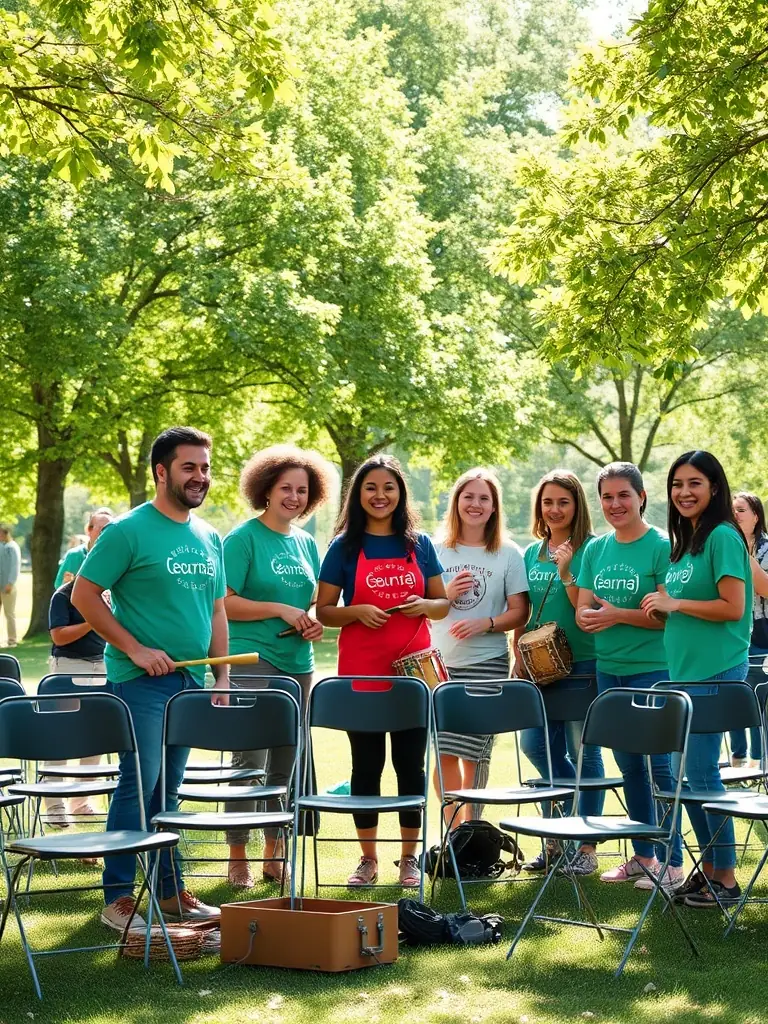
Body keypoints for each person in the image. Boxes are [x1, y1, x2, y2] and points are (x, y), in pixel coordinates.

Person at [72, 426, 228, 933]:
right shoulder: (127, 531)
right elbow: (84, 596)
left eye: (204, 467)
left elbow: (218, 610)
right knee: (141, 784)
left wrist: (220, 675)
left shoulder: (209, 536)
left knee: (170, 790)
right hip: (139, 683)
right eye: (189, 467)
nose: (200, 476)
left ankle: (168, 891)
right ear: (161, 471)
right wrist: (135, 648)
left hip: (190, 684)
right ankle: (117, 898)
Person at [316, 455, 449, 888]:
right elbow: (324, 611)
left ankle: (409, 859)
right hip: (362, 672)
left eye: (388, 488)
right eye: (371, 487)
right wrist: (356, 611)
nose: (380, 495)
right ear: (358, 495)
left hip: (413, 675)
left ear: (400, 494)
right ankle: (368, 859)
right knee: (366, 767)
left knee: (411, 765)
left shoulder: (420, 544)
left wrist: (425, 606)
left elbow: (443, 604)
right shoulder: (343, 547)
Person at [642, 451, 752, 909]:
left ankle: (724, 877)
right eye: (677, 484)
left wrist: (677, 606)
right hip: (683, 674)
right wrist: (661, 605)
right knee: (685, 779)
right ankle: (707, 871)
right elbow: (680, 606)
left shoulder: (723, 536)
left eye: (695, 483)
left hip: (717, 670)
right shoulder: (684, 543)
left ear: (714, 488)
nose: (684, 492)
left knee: (702, 773)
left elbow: (734, 607)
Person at [223, 445, 333, 888]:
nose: (294, 497)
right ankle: (237, 855)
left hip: (298, 665)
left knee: (285, 763)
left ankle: (275, 851)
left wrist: (312, 623)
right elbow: (225, 603)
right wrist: (280, 611)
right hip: (253, 659)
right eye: (285, 487)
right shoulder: (242, 538)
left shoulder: (306, 542)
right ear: (265, 490)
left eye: (302, 490)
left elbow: (313, 603)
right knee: (248, 760)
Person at [576, 461, 684, 891]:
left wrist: (616, 614)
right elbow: (585, 608)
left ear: (641, 496)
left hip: (654, 671)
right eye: (607, 496)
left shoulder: (662, 546)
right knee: (629, 768)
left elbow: (667, 619)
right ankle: (643, 856)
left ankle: (674, 864)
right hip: (609, 672)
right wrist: (593, 617)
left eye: (624, 494)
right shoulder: (596, 550)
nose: (615, 504)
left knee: (661, 768)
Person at [515, 470, 606, 877]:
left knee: (584, 752)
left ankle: (584, 846)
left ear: (577, 506)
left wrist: (568, 568)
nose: (554, 509)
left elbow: (585, 606)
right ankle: (557, 838)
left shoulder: (592, 550)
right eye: (548, 502)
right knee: (536, 746)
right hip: (538, 667)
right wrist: (517, 651)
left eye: (563, 502)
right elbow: (527, 609)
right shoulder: (531, 553)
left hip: (582, 663)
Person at [430, 468, 529, 825]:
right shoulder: (434, 549)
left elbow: (520, 612)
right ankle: (456, 834)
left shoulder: (508, 553)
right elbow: (421, 604)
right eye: (468, 496)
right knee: (443, 752)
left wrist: (486, 623)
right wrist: (445, 595)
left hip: (487, 661)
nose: (475, 504)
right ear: (456, 502)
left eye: (483, 498)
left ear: (493, 507)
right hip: (439, 665)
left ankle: (473, 828)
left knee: (475, 753)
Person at [44, 510, 113, 830]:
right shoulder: (63, 596)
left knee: (97, 735)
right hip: (67, 668)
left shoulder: (111, 596)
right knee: (61, 735)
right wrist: (93, 620)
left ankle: (82, 800)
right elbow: (58, 636)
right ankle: (55, 805)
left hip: (101, 666)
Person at [730, 491, 768, 767]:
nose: (734, 515)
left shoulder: (766, 549)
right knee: (732, 691)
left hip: (762, 631)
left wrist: (744, 555)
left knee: (755, 694)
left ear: (756, 515)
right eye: (730, 510)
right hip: (733, 632)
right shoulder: (723, 545)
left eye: (740, 510)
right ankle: (738, 756)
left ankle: (757, 759)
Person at [56, 509, 113, 587]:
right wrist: (66, 584)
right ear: (89, 530)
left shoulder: (115, 556)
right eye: (101, 528)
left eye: (109, 529)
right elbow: (59, 586)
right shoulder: (74, 555)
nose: (105, 533)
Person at [0, 525, 21, 648]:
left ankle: (12, 639)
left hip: (8, 586)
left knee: (9, 613)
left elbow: (14, 567)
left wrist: (10, 583)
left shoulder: (12, 547)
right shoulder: (2, 547)